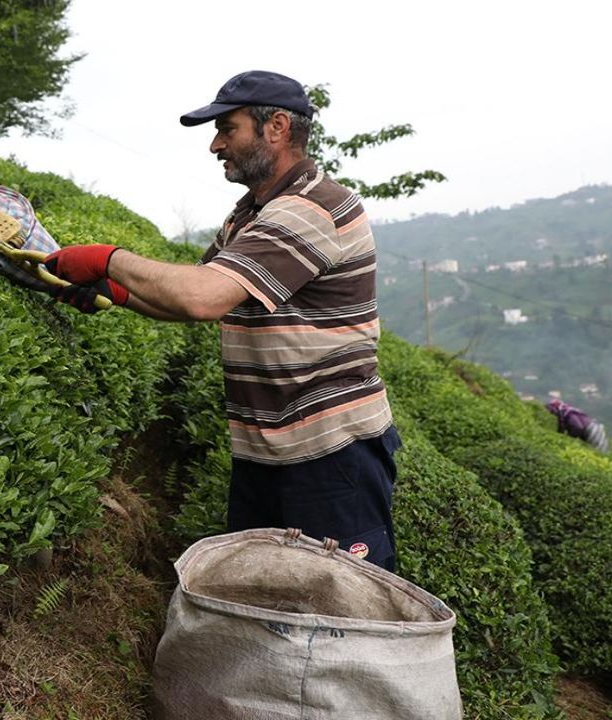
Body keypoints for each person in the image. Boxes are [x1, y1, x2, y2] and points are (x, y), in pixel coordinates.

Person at [44, 70, 402, 571]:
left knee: (337, 606)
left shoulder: (313, 208)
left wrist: (108, 259)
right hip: (266, 449)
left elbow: (204, 298)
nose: (215, 145)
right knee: (263, 597)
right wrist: (116, 293)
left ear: (276, 127)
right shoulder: (252, 212)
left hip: (330, 453)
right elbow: (204, 292)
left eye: (227, 129)